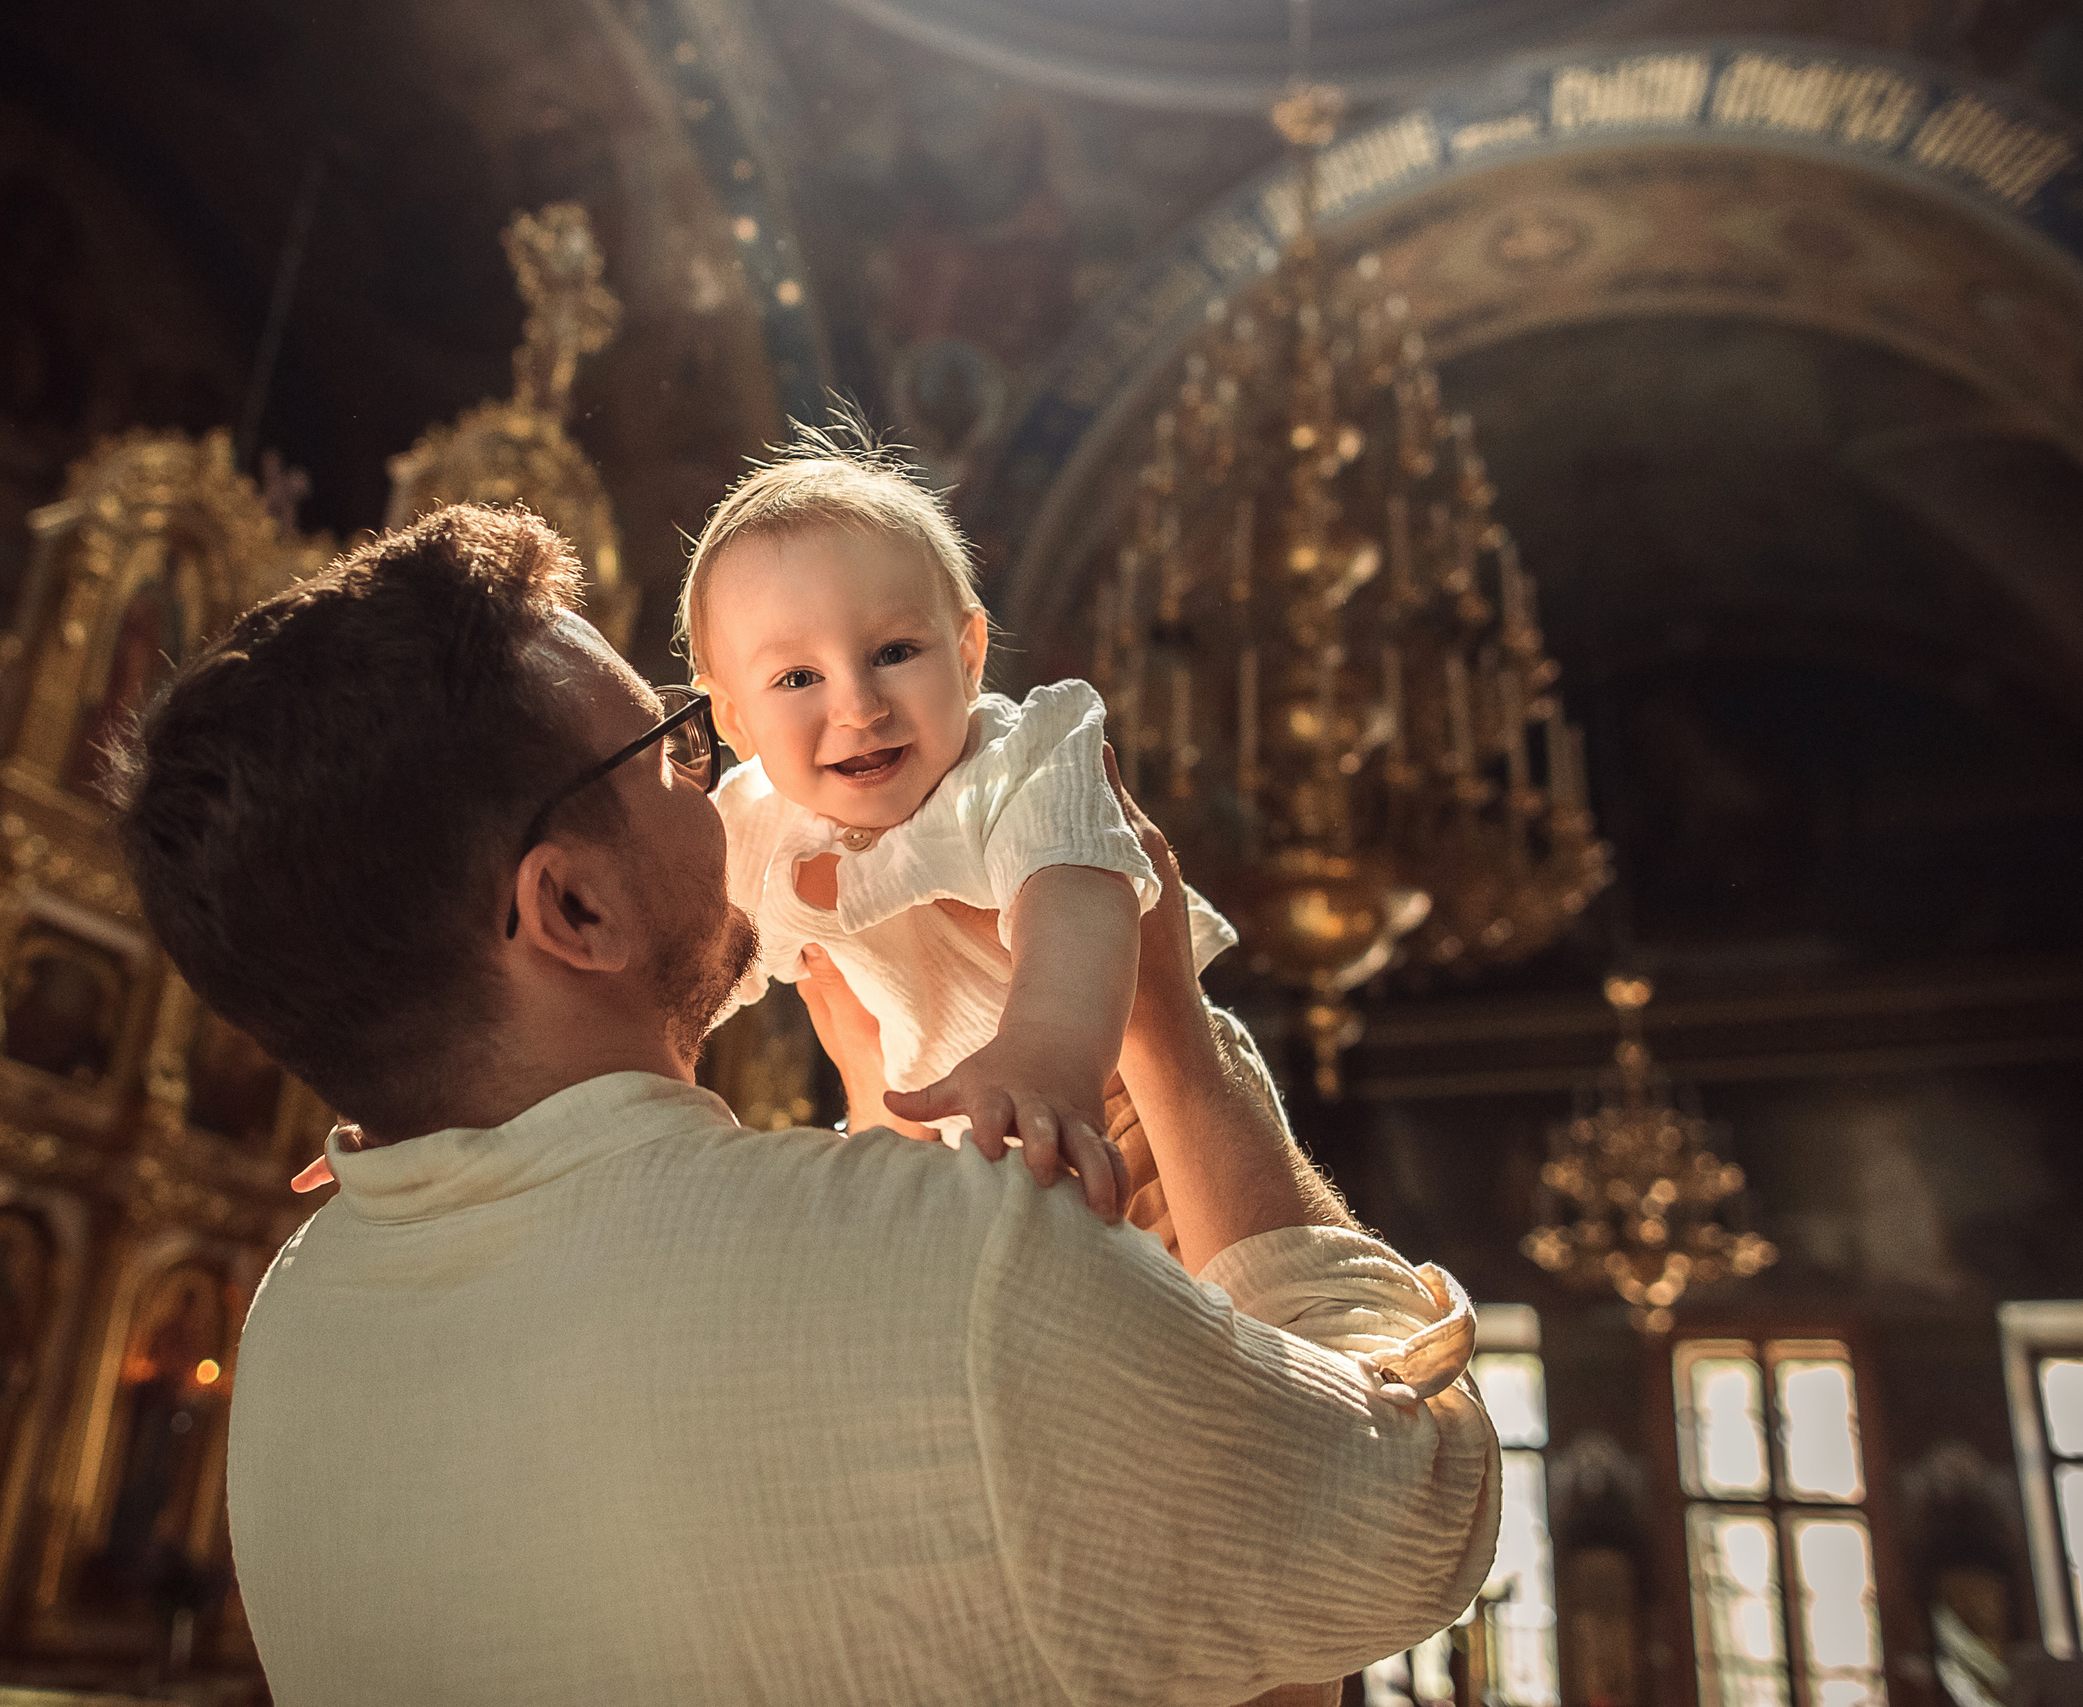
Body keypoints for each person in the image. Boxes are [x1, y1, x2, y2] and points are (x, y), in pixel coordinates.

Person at [109, 503, 1498, 1706]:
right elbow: (1425, 1512)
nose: (724, 794)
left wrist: (879, 1155)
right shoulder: (963, 1280)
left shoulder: (296, 1332)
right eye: (670, 753)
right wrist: (1178, 1052)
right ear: (572, 903)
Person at [680, 429, 1236, 1164]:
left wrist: (1048, 1049)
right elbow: (681, 979)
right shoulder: (752, 825)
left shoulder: (1020, 758)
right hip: (964, 1138)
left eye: (894, 653)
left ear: (969, 656)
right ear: (733, 721)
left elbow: (1077, 888)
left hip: (1128, 1100)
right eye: (797, 678)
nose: (858, 706)